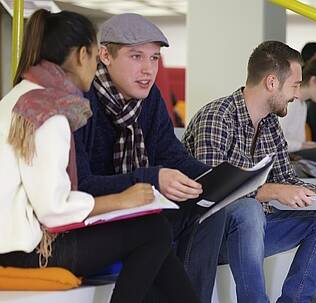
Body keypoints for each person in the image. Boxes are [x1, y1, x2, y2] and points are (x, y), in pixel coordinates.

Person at [0, 10, 199, 303]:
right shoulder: (51, 111)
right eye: (95, 57)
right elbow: (53, 210)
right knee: (154, 230)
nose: (96, 68)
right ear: (83, 55)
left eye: (153, 58)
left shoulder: (23, 96)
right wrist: (120, 200)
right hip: (28, 251)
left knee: (153, 236)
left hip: (20, 241)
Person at [72, 13, 226, 301]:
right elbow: (81, 186)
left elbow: (173, 156)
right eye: (136, 56)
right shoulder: (82, 101)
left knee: (210, 212)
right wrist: (151, 178)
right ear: (104, 55)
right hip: (93, 218)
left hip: (139, 213)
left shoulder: (150, 98)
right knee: (153, 232)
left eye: (154, 58)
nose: (148, 69)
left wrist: (222, 177)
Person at [183, 40, 316, 303]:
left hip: (252, 234)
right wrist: (271, 191)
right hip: (209, 238)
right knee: (249, 210)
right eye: (294, 85)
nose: (296, 94)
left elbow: (286, 179)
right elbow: (211, 192)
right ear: (271, 82)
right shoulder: (217, 116)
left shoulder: (270, 124)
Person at [279, 59, 316, 167]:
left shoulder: (302, 105)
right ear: (313, 80)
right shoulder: (290, 102)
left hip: (292, 152)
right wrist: (315, 146)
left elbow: (299, 143)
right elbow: (278, 143)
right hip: (282, 155)